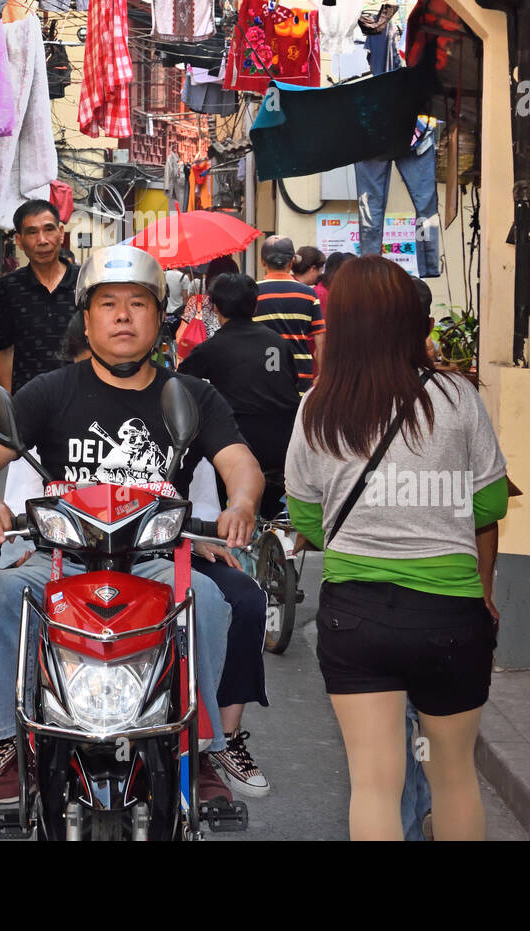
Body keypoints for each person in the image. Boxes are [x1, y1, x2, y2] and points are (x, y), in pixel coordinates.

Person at [0, 245, 265, 804]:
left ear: (159, 316)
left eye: (137, 304)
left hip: (155, 561)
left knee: (213, 603)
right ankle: (10, 739)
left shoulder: (191, 395)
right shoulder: (50, 391)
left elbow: (239, 462)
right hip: (62, 562)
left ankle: (200, 749)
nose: (123, 316)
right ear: (88, 317)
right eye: (108, 304)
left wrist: (241, 503)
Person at [285, 254, 508, 841]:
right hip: (449, 615)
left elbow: (307, 519)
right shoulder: (457, 398)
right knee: (455, 776)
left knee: (374, 785)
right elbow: (490, 507)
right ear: (412, 319)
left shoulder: (317, 408)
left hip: (354, 616)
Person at [180, 273, 299, 519]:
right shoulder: (276, 342)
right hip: (284, 443)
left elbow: (180, 384)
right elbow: (289, 383)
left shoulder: (211, 348)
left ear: (215, 307)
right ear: (255, 305)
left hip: (237, 444)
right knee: (272, 514)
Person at [0, 200, 80, 395]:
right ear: (19, 241)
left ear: (61, 233)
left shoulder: (85, 281)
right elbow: (4, 350)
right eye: (32, 232)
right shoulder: (8, 288)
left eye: (49, 230)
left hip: (80, 399)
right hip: (28, 401)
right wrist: (9, 407)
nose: (42, 240)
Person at [254, 235, 325, 393]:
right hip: (301, 378)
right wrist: (322, 374)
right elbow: (321, 343)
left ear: (262, 262)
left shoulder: (253, 293)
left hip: (262, 379)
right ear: (292, 262)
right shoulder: (309, 295)